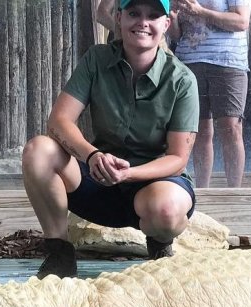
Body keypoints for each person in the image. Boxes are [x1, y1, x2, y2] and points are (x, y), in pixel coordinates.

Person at [22, 0, 199, 279]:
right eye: (134, 13)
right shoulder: (96, 59)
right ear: (119, 18)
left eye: (153, 15)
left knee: (166, 210)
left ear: (166, 24)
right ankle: (59, 253)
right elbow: (58, 121)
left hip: (153, 183)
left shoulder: (182, 80)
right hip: (98, 176)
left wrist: (129, 174)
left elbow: (178, 158)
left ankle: (160, 242)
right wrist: (92, 156)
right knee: (37, 150)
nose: (143, 21)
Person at [168, 0, 250, 188]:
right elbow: (177, 35)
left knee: (231, 129)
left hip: (228, 61)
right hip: (188, 63)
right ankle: (201, 192)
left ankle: (234, 195)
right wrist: (172, 18)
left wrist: (200, 11)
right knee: (198, 130)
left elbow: (241, 22)